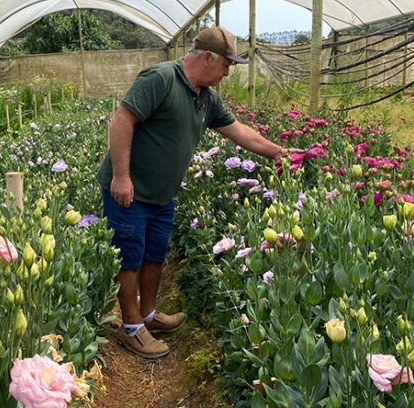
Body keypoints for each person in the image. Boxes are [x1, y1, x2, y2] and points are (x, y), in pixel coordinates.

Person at [97, 26, 291, 359]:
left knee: (154, 255)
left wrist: (277, 152)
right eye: (226, 65)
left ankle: (148, 315)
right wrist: (121, 176)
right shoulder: (160, 79)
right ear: (206, 58)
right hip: (130, 189)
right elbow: (122, 121)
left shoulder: (206, 97)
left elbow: (239, 131)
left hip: (162, 193)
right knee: (129, 256)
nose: (228, 72)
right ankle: (130, 327)